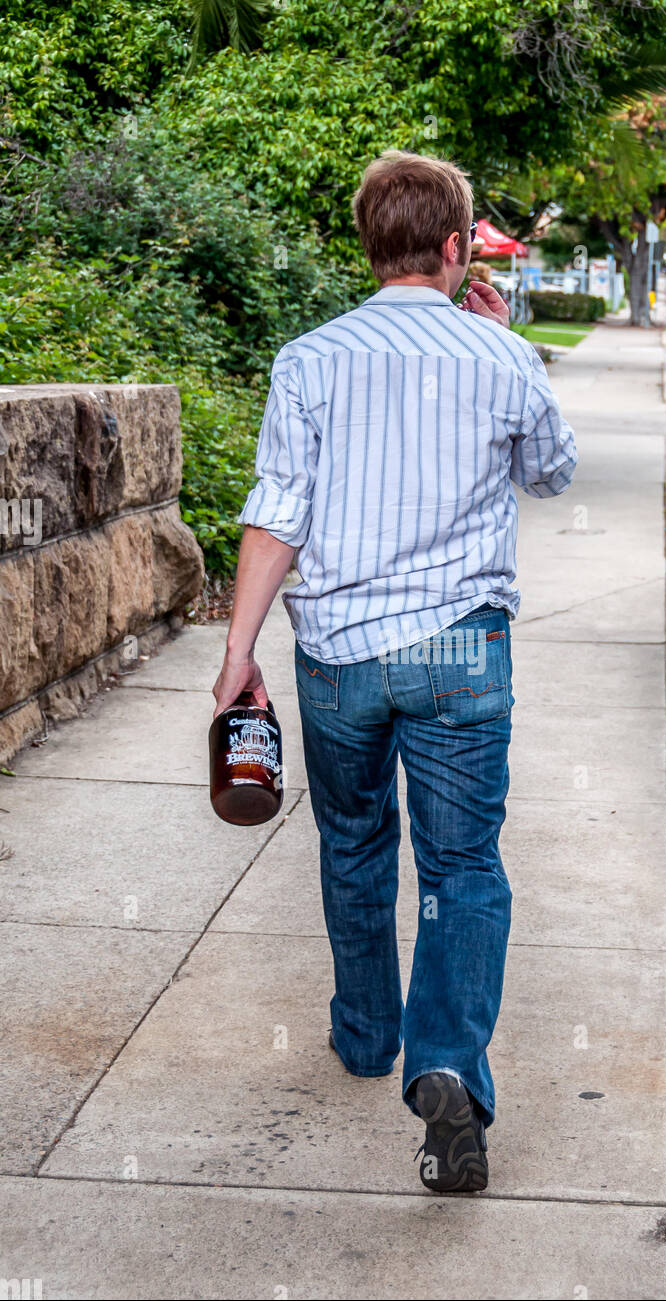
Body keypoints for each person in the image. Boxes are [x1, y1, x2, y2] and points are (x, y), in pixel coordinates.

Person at [213, 150, 577, 1194]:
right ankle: (447, 1067)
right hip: (461, 647)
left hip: (335, 654)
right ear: (458, 250)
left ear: (369, 244)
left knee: (356, 843)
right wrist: (501, 350)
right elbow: (550, 471)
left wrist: (238, 653)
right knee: (463, 867)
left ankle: (367, 1035)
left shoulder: (308, 359)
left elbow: (276, 512)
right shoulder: (495, 355)